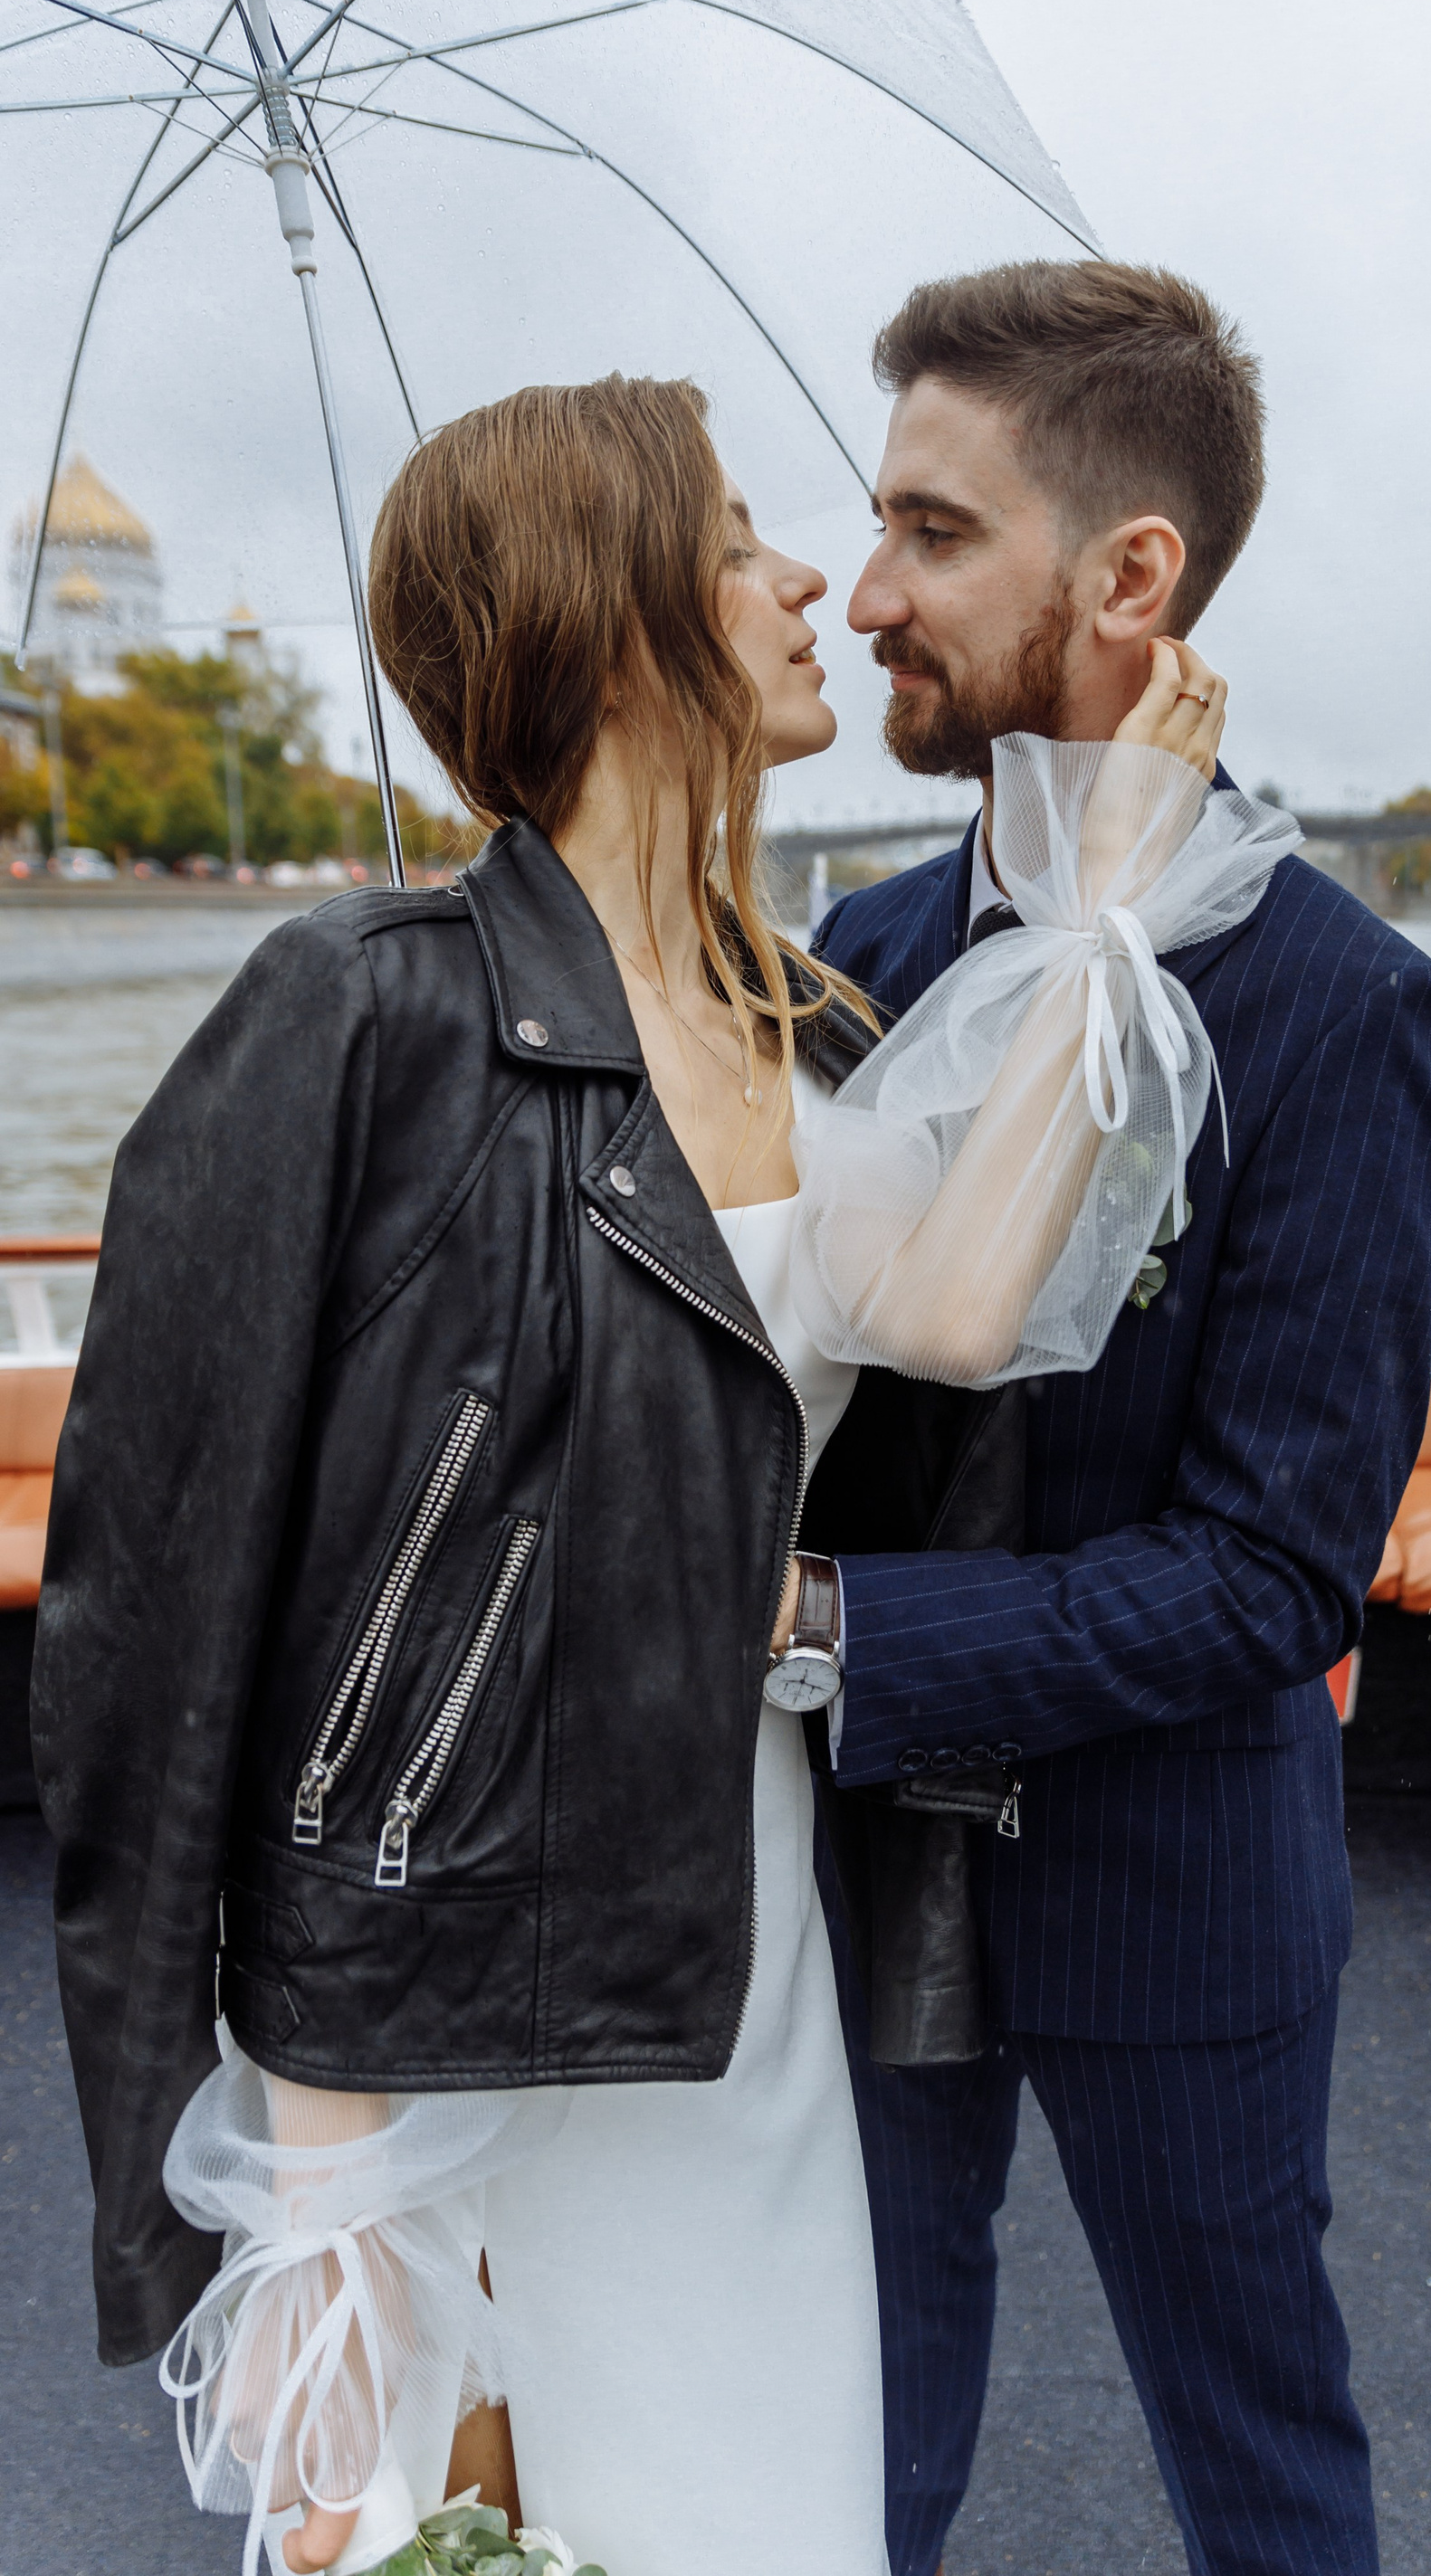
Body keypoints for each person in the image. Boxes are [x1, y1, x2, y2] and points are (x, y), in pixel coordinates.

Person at [30, 371, 1252, 2576]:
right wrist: (315, 2184)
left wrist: (1106, 910)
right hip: (429, 2036)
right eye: (737, 540)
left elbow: (959, 1310)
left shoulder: (813, 1030)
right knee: (422, 2535)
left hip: (732, 1981)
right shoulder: (356, 1013)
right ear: (607, 626)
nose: (809, 583)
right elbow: (179, 1633)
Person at [809, 259, 1431, 2576]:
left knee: (1265, 2483)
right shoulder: (851, 969)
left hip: (1173, 1890)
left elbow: (1276, 1572)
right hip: (840, 1873)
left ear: (1130, 577)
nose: (868, 595)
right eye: (874, 527)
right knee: (849, 2470)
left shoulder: (1358, 1015)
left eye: (932, 532)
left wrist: (829, 1631)